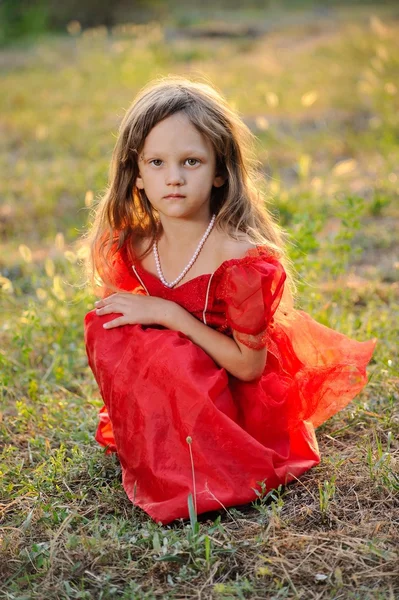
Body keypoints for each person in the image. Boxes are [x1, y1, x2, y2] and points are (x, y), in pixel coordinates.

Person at [84, 76, 376, 525]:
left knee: (169, 351)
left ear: (220, 170)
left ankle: (202, 469)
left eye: (191, 162)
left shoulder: (239, 257)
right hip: (185, 376)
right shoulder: (136, 242)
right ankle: (163, 445)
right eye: (157, 162)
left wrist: (168, 313)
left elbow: (248, 366)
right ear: (136, 173)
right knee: (110, 329)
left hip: (236, 389)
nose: (174, 178)